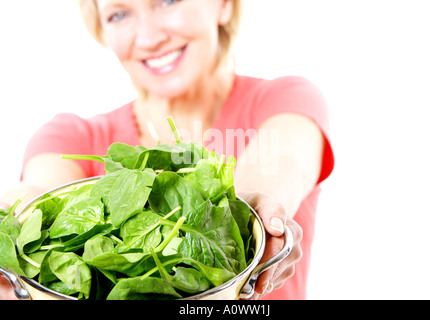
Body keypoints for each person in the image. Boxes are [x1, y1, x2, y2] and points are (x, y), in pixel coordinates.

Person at [0, 0, 334, 300]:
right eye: (119, 14)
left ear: (225, 5)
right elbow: (41, 196)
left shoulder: (284, 100)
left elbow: (284, 160)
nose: (148, 37)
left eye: (168, 0)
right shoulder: (71, 136)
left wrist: (248, 208)